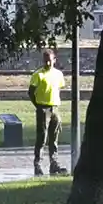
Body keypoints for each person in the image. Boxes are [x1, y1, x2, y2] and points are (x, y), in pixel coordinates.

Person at [28, 49, 68, 177]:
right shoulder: (38, 75)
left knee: (54, 137)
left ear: (54, 60)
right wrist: (38, 105)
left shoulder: (58, 74)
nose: (48, 63)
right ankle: (38, 164)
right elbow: (30, 92)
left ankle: (54, 164)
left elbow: (58, 88)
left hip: (55, 107)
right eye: (45, 61)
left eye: (50, 61)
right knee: (42, 138)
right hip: (43, 108)